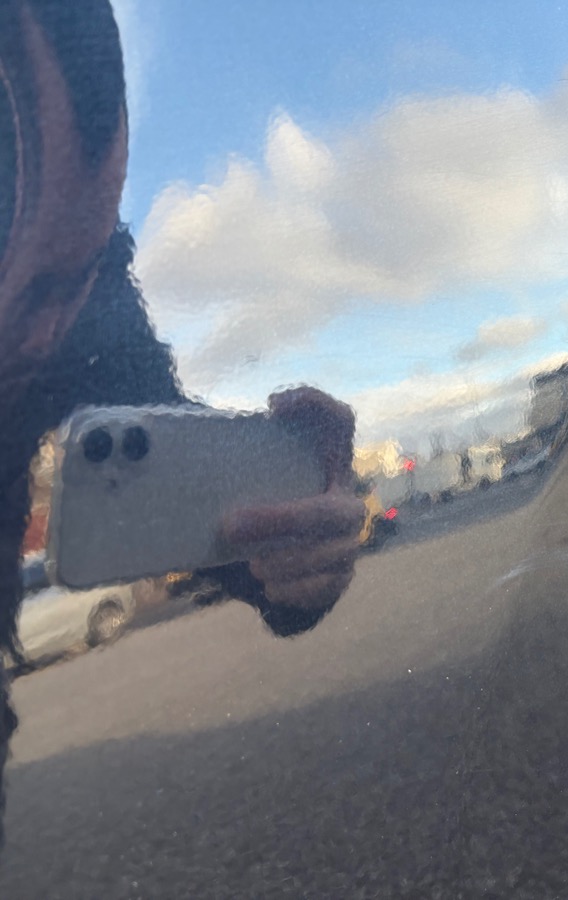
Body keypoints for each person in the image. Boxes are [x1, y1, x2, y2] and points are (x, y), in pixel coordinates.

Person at [0, 0, 362, 843]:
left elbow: (174, 479)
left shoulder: (92, 300)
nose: (48, 335)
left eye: (73, 280)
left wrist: (295, 546)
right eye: (31, 287)